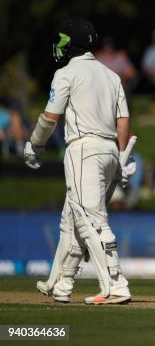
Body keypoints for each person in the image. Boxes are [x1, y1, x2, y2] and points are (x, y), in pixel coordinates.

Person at [24, 17, 133, 305]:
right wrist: (121, 157)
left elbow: (49, 118)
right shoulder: (111, 75)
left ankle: (115, 284)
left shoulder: (66, 73)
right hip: (109, 149)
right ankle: (61, 283)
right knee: (70, 220)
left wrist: (34, 145)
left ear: (71, 43)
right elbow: (123, 119)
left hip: (83, 149)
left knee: (90, 220)